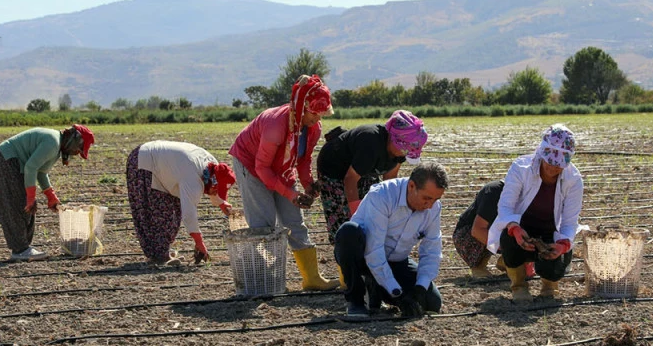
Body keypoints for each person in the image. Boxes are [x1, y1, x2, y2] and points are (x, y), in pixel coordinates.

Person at [228, 74, 339, 291]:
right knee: (264, 223)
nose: (317, 119)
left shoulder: (312, 128)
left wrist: (308, 185)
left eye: (321, 115)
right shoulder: (275, 125)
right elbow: (262, 168)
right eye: (314, 114)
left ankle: (312, 279)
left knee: (295, 221)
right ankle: (265, 280)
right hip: (251, 165)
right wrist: (290, 194)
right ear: (301, 107)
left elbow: (303, 159)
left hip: (281, 166)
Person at [333, 162, 448, 318]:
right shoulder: (382, 195)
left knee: (432, 302)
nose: (430, 205)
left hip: (396, 260)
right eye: (426, 198)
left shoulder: (434, 207)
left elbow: (432, 250)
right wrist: (397, 294)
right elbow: (374, 250)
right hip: (364, 257)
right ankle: (356, 300)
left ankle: (376, 287)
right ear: (412, 186)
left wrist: (420, 289)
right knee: (349, 232)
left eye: (435, 199)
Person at [487, 124, 584, 301]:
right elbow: (505, 207)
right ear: (541, 153)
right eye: (549, 162)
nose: (552, 168)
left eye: (558, 165)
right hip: (522, 229)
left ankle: (549, 285)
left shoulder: (574, 180)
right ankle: (519, 286)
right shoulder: (521, 168)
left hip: (550, 232)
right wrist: (515, 228)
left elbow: (570, 222)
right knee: (509, 240)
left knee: (557, 261)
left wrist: (562, 245)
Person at [315, 110, 428, 244]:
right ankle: (346, 257)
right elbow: (350, 180)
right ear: (393, 139)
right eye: (404, 151)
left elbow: (390, 179)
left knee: (373, 211)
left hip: (363, 169)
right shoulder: (371, 144)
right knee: (345, 224)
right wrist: (358, 218)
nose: (404, 155)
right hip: (334, 169)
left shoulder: (401, 151)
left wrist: (395, 212)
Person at [0, 124, 95, 262]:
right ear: (74, 140)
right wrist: (31, 197)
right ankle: (20, 250)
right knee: (17, 205)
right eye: (79, 149)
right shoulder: (52, 142)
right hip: (6, 160)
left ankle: (24, 248)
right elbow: (31, 167)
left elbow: (41, 172)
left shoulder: (55, 146)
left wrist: (51, 197)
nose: (76, 153)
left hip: (10, 161)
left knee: (24, 205)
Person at [126, 140, 236, 266]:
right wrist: (199, 243)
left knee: (172, 214)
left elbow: (213, 189)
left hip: (163, 162)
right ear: (212, 180)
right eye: (217, 189)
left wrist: (221, 203)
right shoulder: (193, 179)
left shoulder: (213, 167)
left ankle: (162, 252)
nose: (216, 192)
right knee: (158, 214)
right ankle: (159, 256)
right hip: (144, 161)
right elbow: (189, 215)